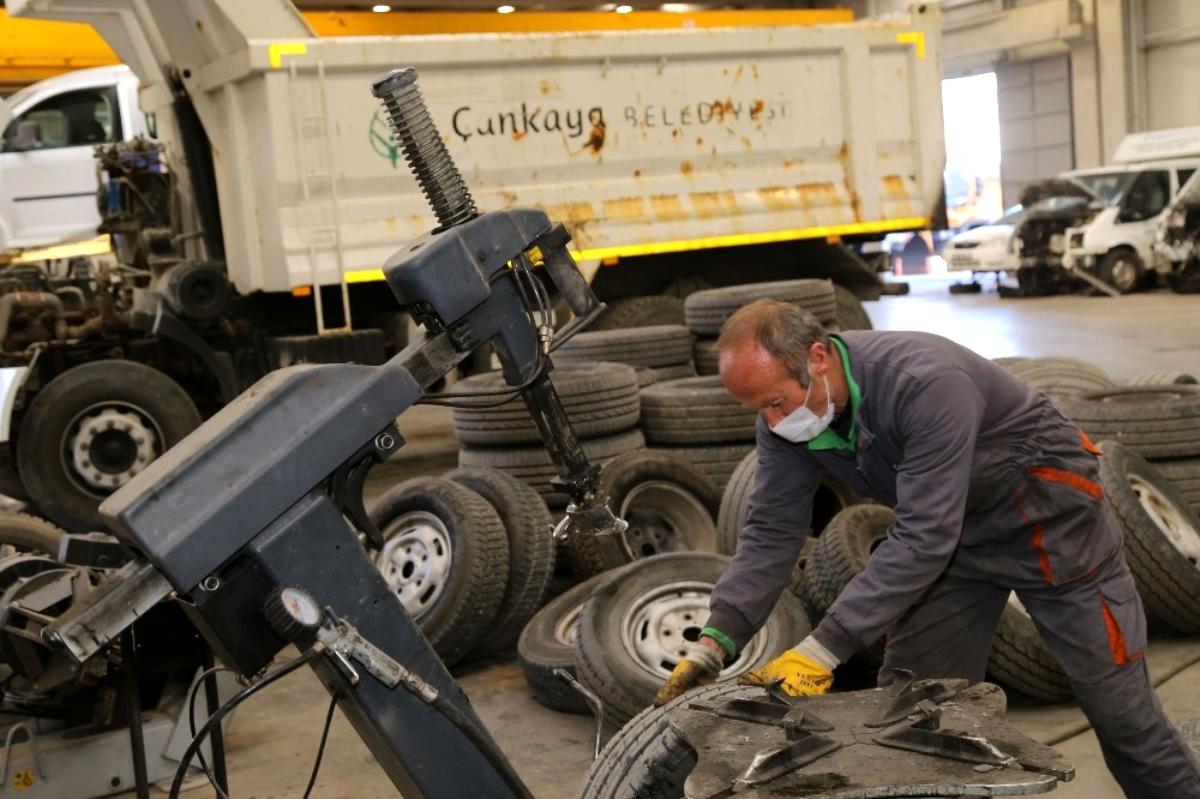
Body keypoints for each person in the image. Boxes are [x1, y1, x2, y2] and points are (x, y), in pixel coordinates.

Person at [653, 298, 1200, 798]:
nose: (773, 422)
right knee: (911, 715)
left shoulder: (924, 382)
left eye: (776, 402)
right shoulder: (786, 423)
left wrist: (823, 649)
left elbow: (923, 535)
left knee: (1123, 717)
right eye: (759, 410)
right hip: (954, 541)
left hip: (1051, 525)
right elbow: (772, 530)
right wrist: (716, 640)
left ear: (817, 358)